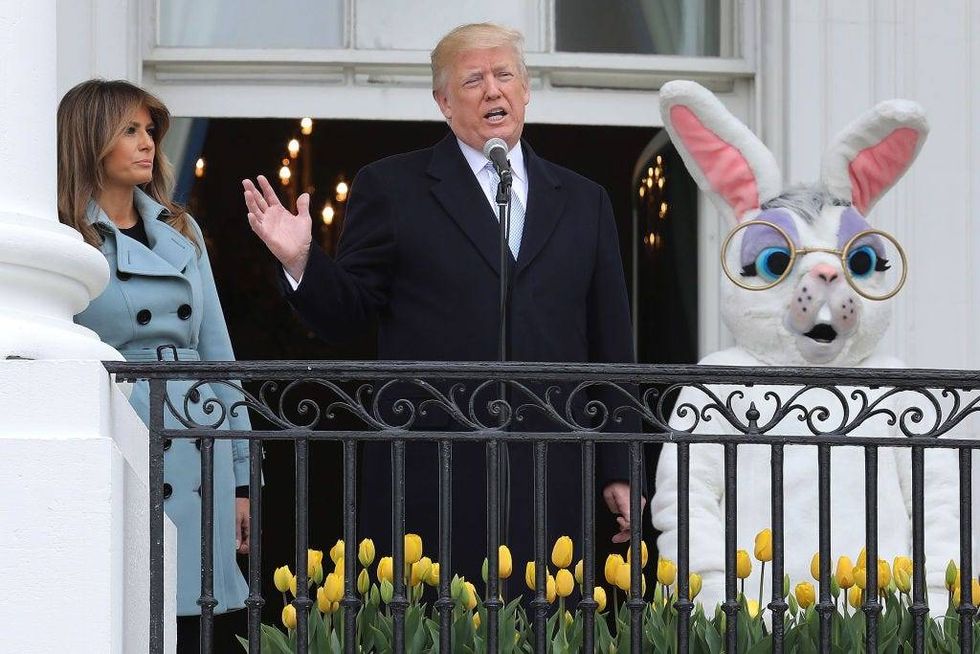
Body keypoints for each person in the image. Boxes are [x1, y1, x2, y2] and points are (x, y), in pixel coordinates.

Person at [243, 23, 643, 585]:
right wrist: (303, 262)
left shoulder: (584, 200)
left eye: (504, 75)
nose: (493, 90)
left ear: (526, 89)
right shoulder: (393, 187)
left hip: (551, 467)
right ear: (443, 102)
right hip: (431, 467)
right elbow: (348, 316)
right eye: (473, 80)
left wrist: (621, 465)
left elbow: (611, 341)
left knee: (547, 621)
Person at [58, 79, 251, 652]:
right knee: (129, 605)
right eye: (130, 131)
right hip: (123, 427)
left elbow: (218, 353)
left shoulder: (181, 232)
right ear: (90, 141)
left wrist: (242, 478)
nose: (147, 144)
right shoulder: (66, 238)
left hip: (198, 429)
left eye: (150, 131)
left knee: (202, 615)